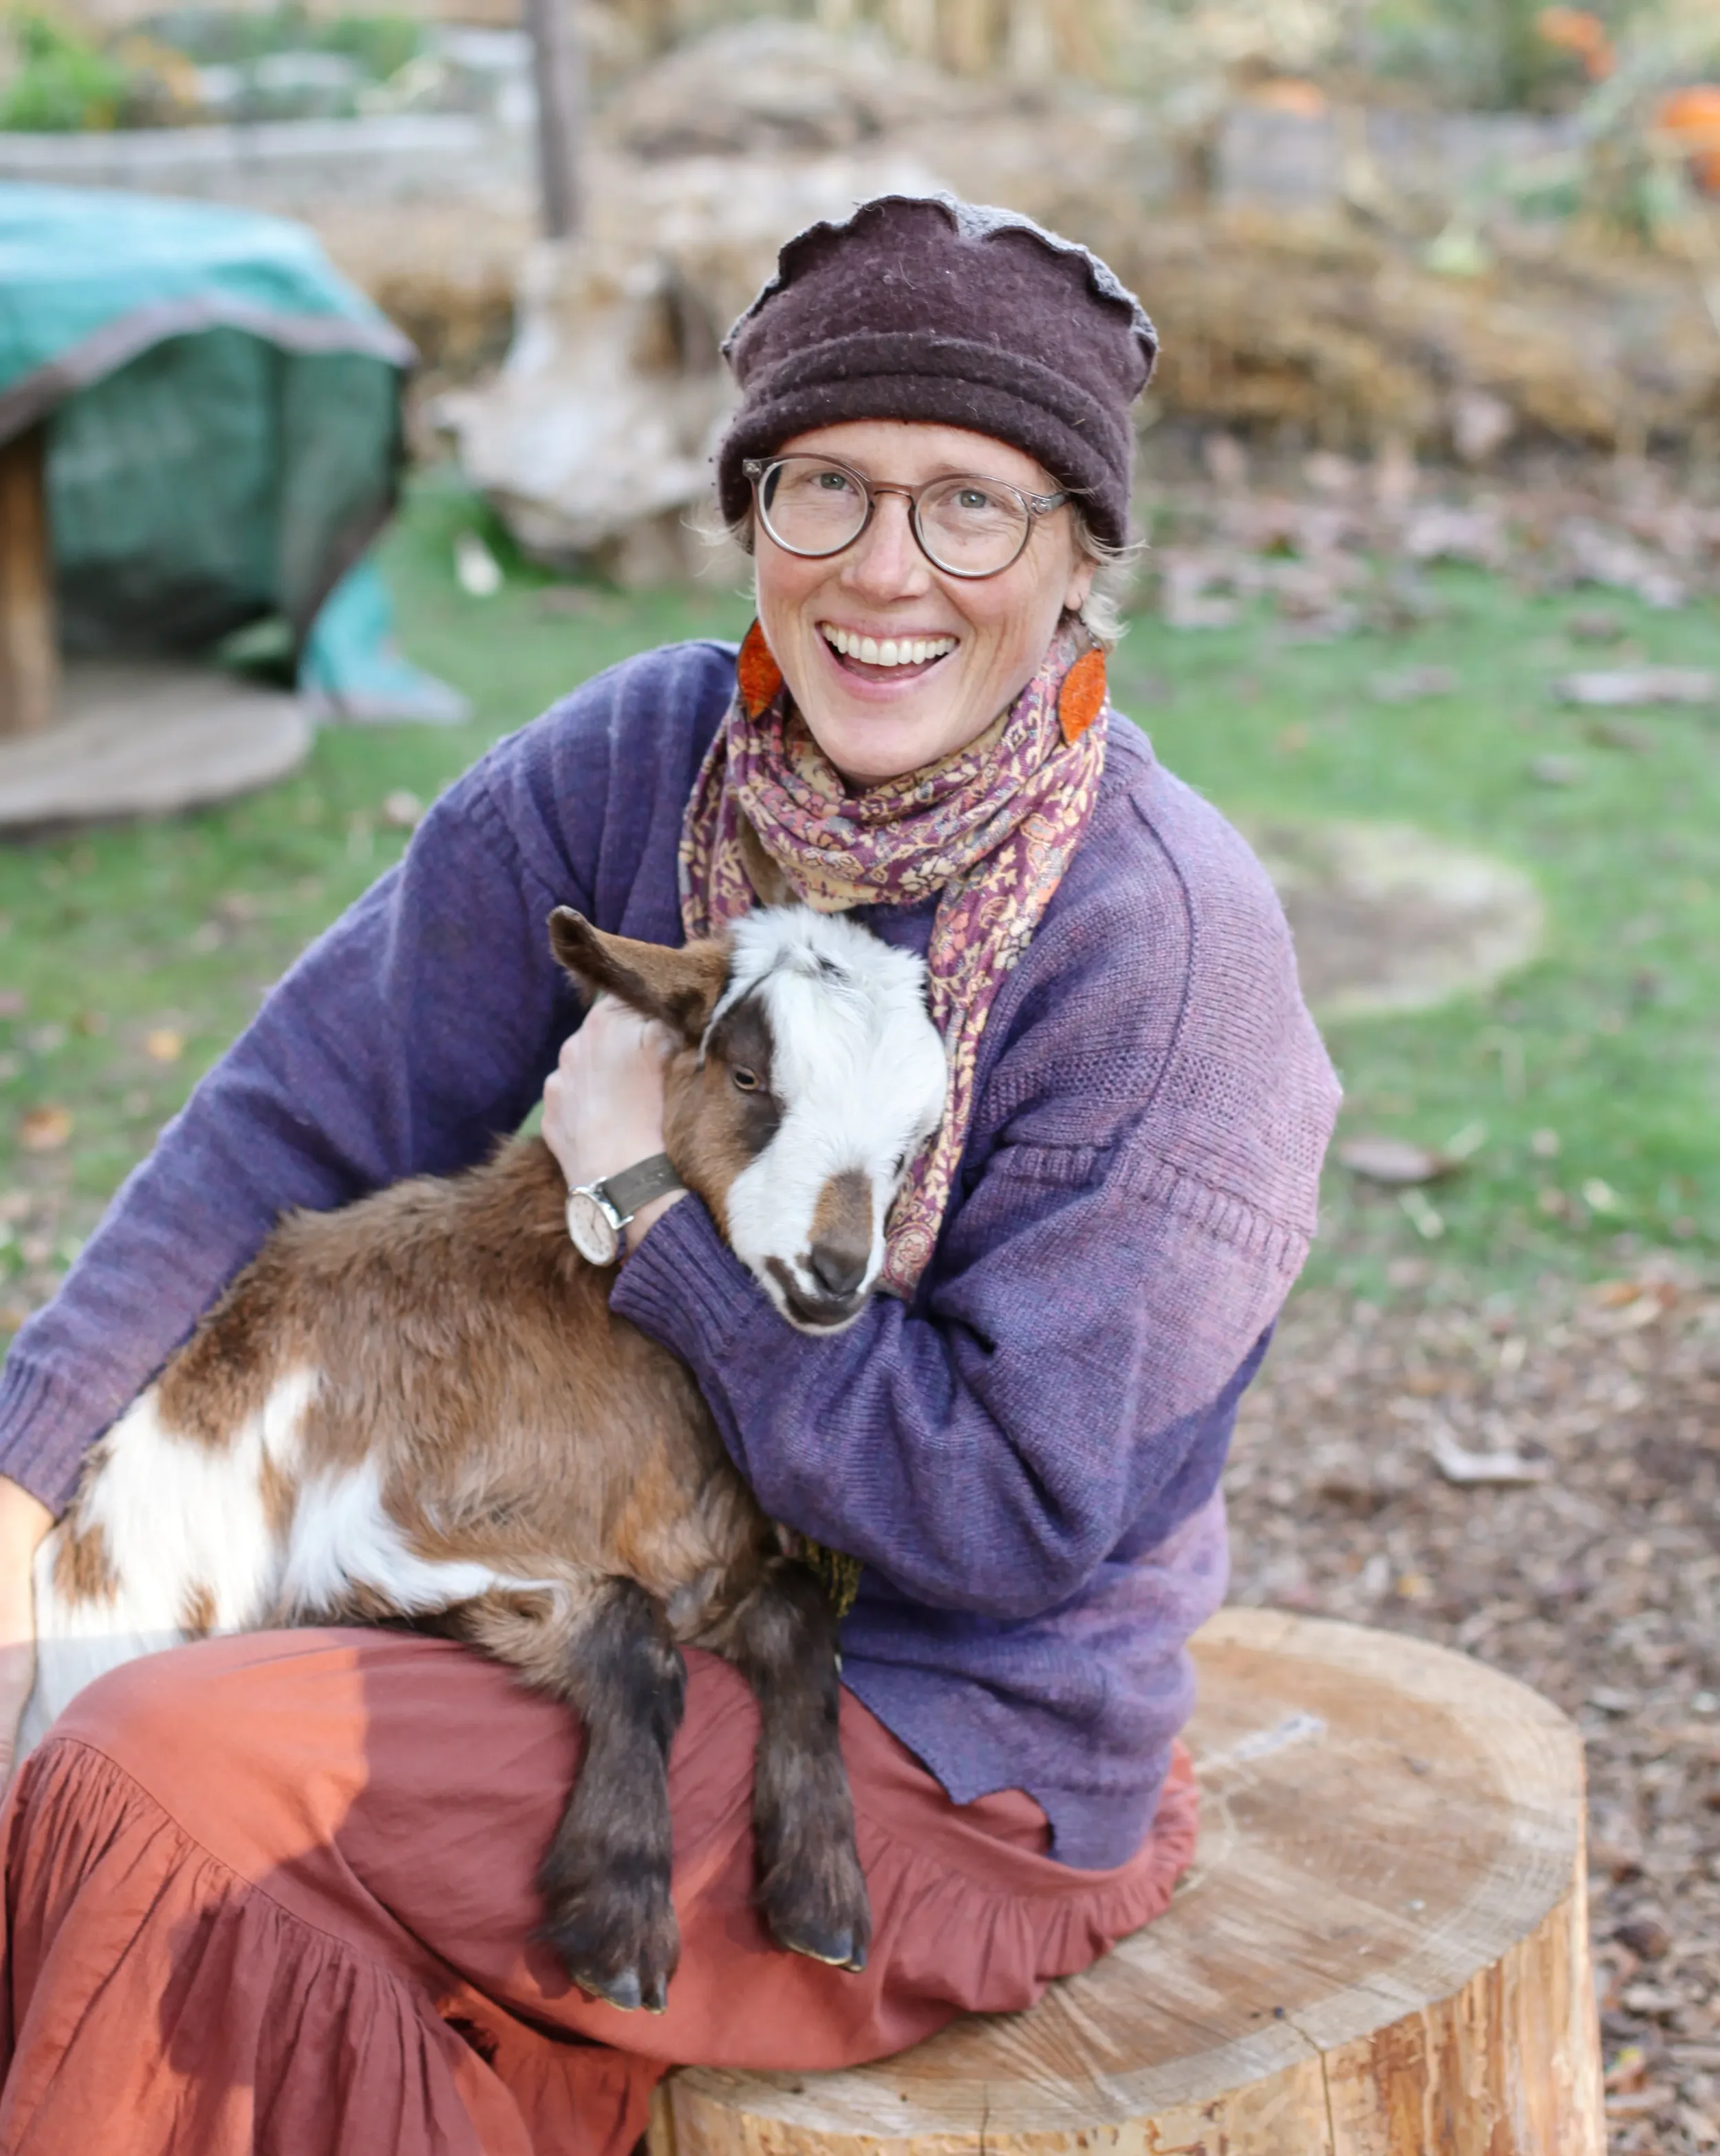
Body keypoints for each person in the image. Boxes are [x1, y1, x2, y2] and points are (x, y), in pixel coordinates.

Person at [0, 195, 1338, 2154]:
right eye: (823, 487)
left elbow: (1009, 1516)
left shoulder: (1159, 958)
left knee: (147, 1771)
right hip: (601, 1594)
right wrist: (24, 1469)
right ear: (746, 511)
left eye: (971, 504)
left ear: (1077, 561)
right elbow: (296, 1115)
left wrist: (645, 1222)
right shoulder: (638, 761)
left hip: (917, 1739)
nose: (886, 570)